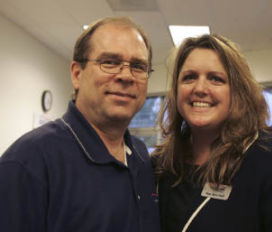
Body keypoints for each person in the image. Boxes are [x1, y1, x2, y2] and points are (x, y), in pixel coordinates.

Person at [0, 17, 161, 232]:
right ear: (77, 74)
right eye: (110, 62)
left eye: (138, 66)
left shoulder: (140, 157)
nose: (126, 76)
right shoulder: (29, 162)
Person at [152, 34, 272, 232]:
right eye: (189, 77)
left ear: (238, 92)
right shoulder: (161, 163)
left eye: (216, 79)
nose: (200, 88)